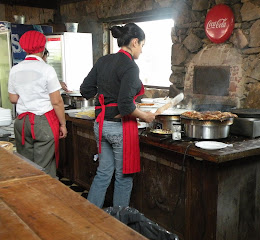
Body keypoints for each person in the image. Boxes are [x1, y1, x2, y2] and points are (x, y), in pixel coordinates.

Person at [80, 23, 156, 208]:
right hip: (118, 128)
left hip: (101, 125)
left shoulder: (103, 61)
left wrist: (105, 93)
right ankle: (119, 226)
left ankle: (89, 216)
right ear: (135, 42)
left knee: (104, 172)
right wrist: (144, 116)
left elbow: (85, 90)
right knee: (124, 177)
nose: (142, 51)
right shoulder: (130, 66)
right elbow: (125, 105)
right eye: (142, 46)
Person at [8, 30, 67, 178]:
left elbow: (13, 99)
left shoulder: (15, 69)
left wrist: (28, 94)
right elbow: (57, 101)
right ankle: (46, 200)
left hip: (21, 122)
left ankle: (28, 198)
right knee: (44, 167)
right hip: (42, 122)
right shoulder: (47, 69)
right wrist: (63, 124)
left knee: (26, 165)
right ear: (42, 48)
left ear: (24, 48)